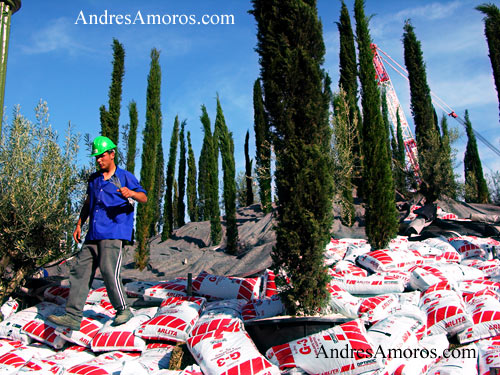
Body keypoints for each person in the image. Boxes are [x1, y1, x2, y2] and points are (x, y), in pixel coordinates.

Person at [48, 136, 147, 330]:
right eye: (96, 157)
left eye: (101, 156)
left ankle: (123, 309)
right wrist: (78, 225)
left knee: (109, 270)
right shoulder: (94, 180)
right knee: (80, 271)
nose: (98, 160)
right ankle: (73, 316)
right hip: (93, 233)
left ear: (112, 154)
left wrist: (131, 193)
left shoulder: (125, 176)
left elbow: (143, 197)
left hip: (113, 231)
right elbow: (88, 203)